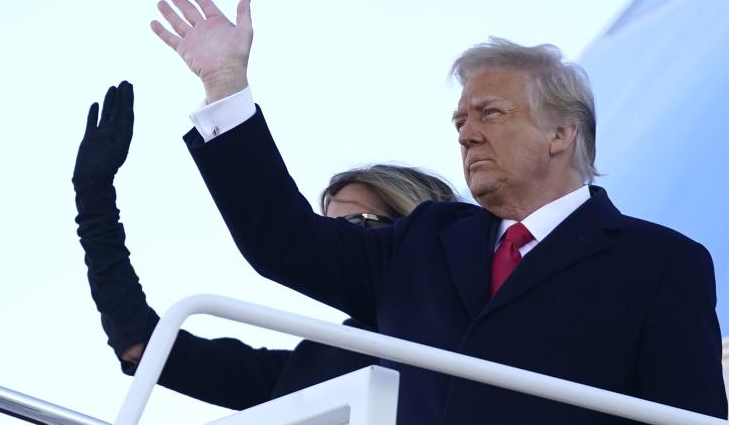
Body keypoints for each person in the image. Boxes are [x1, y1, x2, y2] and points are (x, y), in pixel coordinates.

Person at [152, 0, 728, 424]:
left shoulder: (662, 263)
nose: (467, 134)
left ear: (561, 133)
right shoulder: (423, 240)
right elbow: (285, 243)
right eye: (460, 120)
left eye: (490, 114)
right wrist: (225, 85)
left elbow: (686, 416)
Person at [71, 82, 460, 410]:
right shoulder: (312, 366)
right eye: (326, 228)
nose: (336, 240)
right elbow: (141, 344)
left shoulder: (478, 322)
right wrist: (94, 199)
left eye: (356, 225)